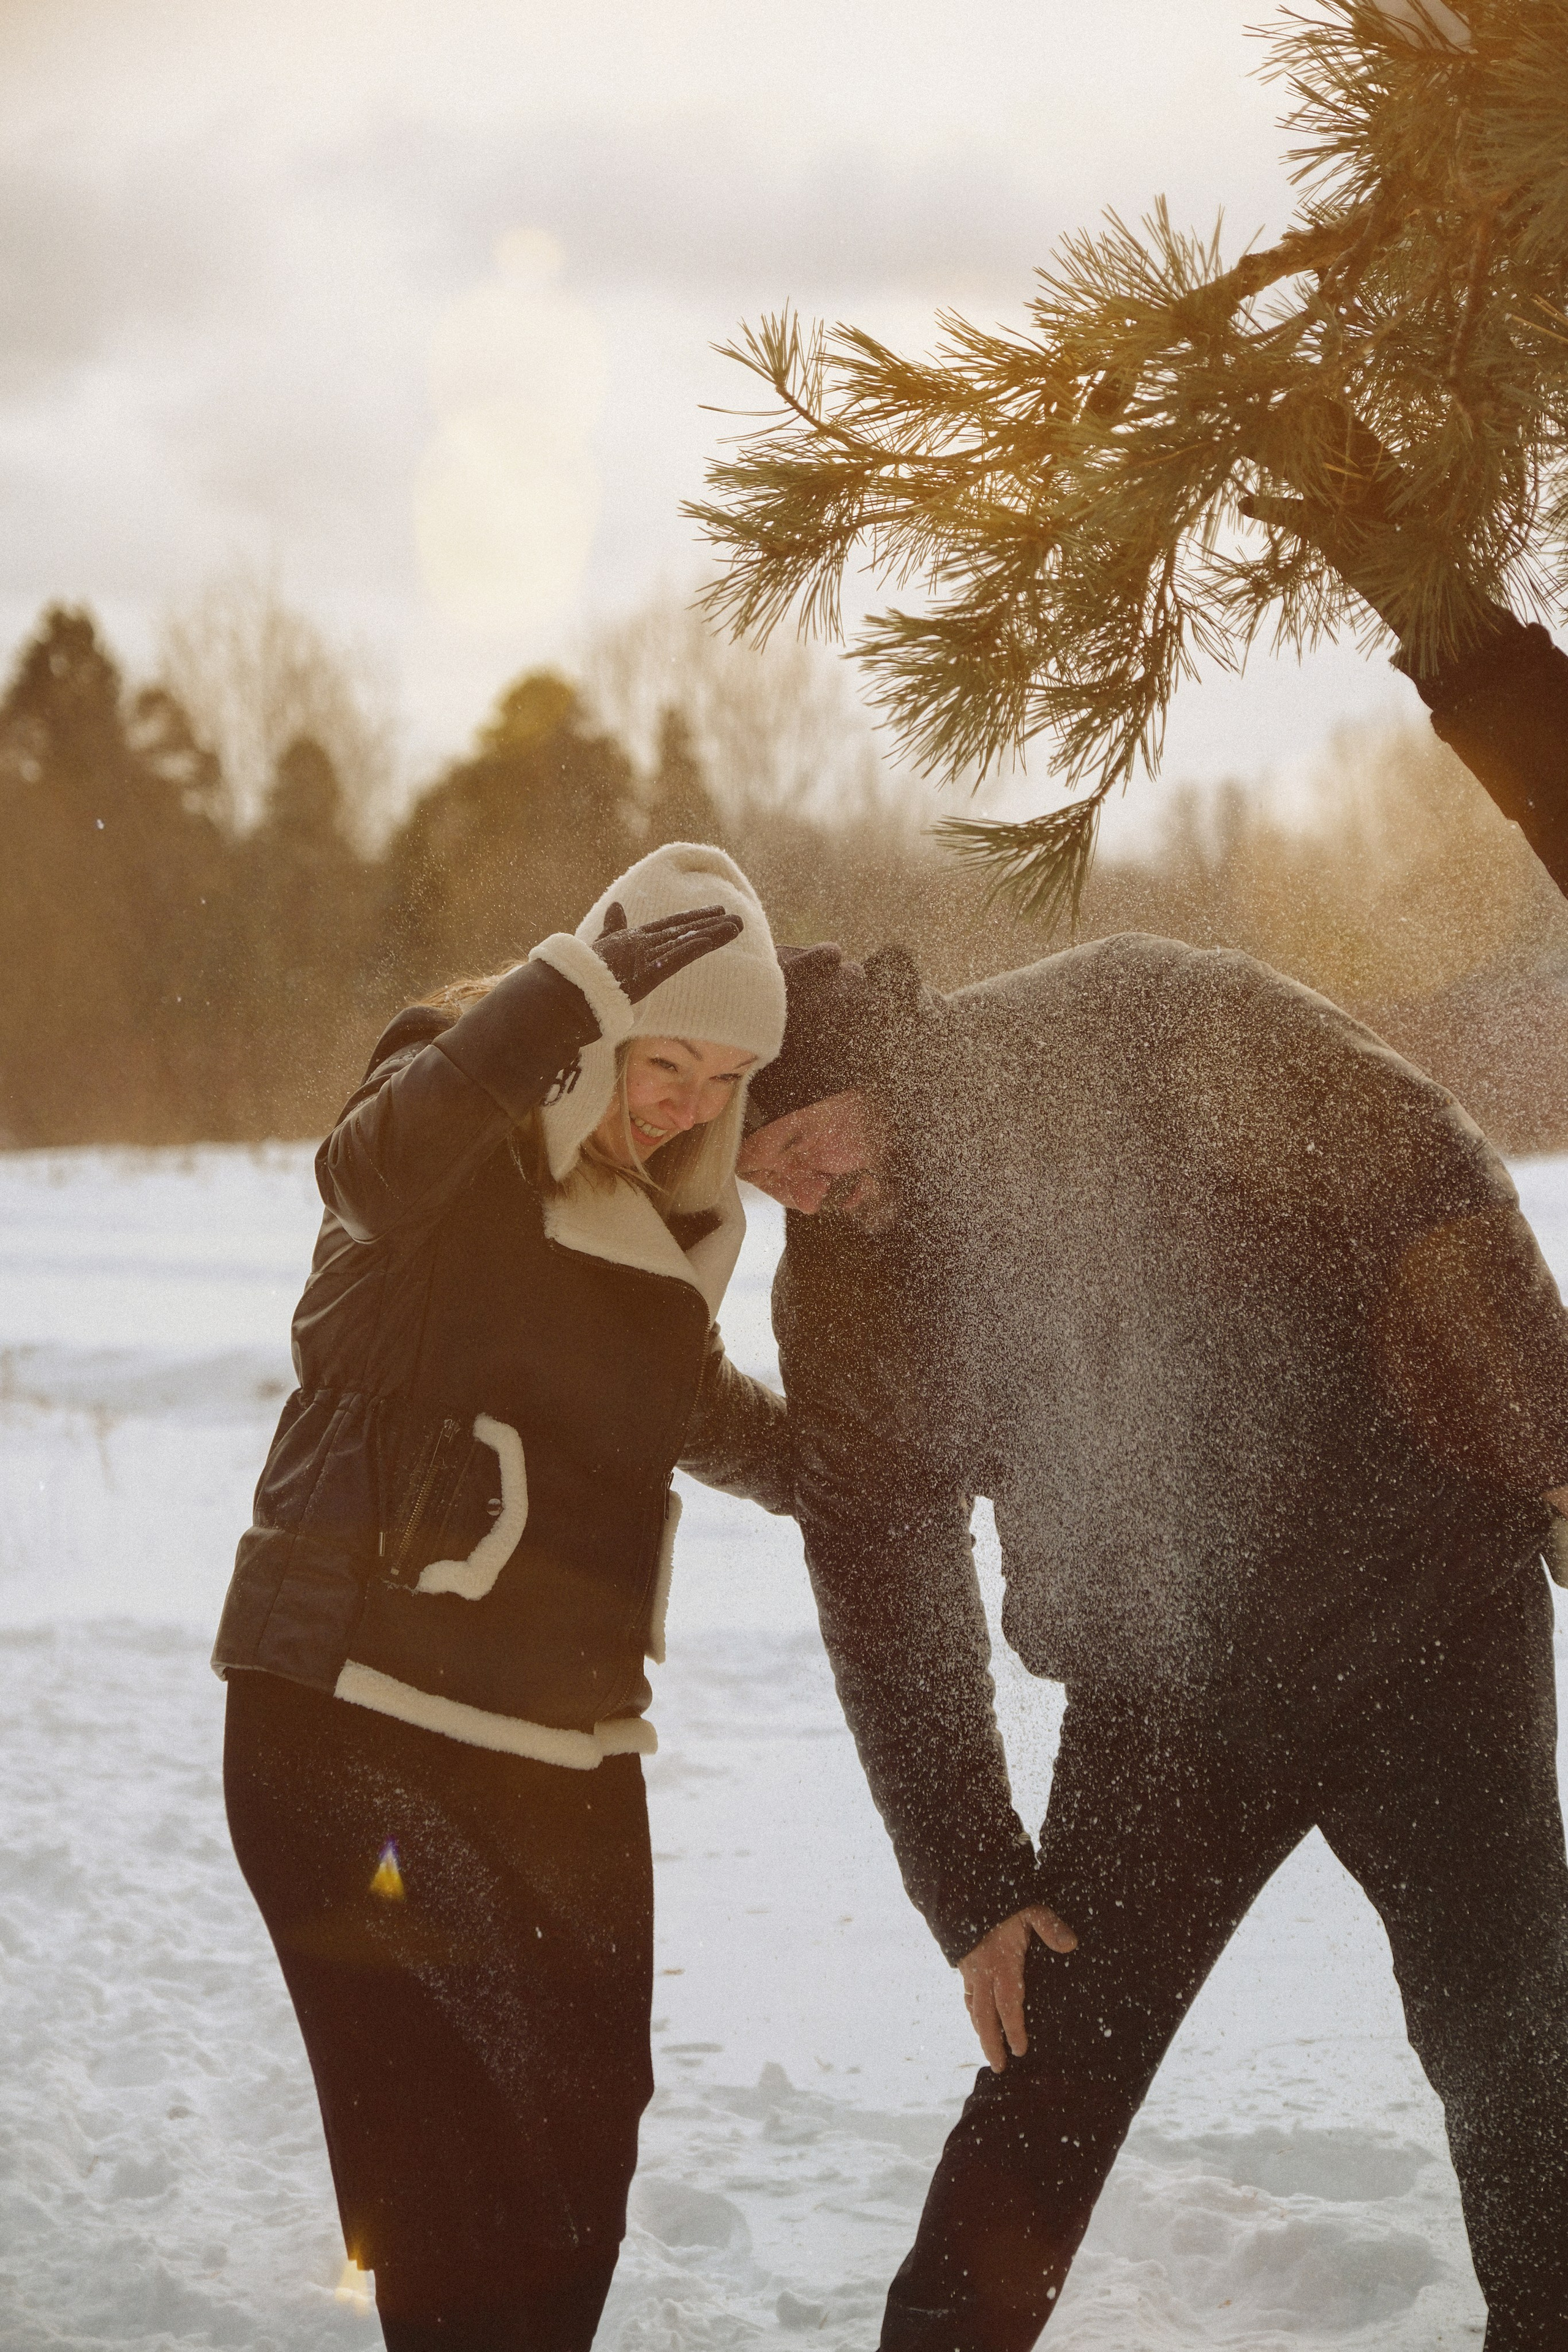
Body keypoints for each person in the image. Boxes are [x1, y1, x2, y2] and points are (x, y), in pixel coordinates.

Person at [734, 932, 1568, 2352]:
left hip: (1422, 1621)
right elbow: (882, 1566)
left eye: (807, 1138)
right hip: (1164, 1691)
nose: (802, 1188)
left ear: (872, 1067)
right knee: (1052, 2073)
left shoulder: (1135, 1017)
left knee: (1511, 2042)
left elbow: (1422, 1177)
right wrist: (972, 1879)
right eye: (765, 1176)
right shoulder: (841, 1283)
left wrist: (1545, 1454)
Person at [213, 842, 792, 2352]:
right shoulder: (452, 1113)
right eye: (660, 1057)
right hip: (351, 1720)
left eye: (719, 1081)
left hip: (567, 1751)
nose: (679, 1102)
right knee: (457, 2152)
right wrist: (564, 988)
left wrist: (859, 1467)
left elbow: (700, 1411)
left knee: (579, 2147)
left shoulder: (658, 1237)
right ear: (591, 1013)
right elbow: (366, 1168)